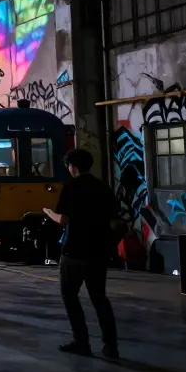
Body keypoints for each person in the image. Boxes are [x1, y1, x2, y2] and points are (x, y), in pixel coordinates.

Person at [44, 149, 120, 359]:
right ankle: (110, 346)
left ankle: (81, 341)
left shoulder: (71, 187)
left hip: (74, 250)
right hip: (98, 251)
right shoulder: (102, 187)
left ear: (73, 166)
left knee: (70, 296)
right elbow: (115, 222)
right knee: (99, 298)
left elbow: (64, 220)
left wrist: (49, 213)